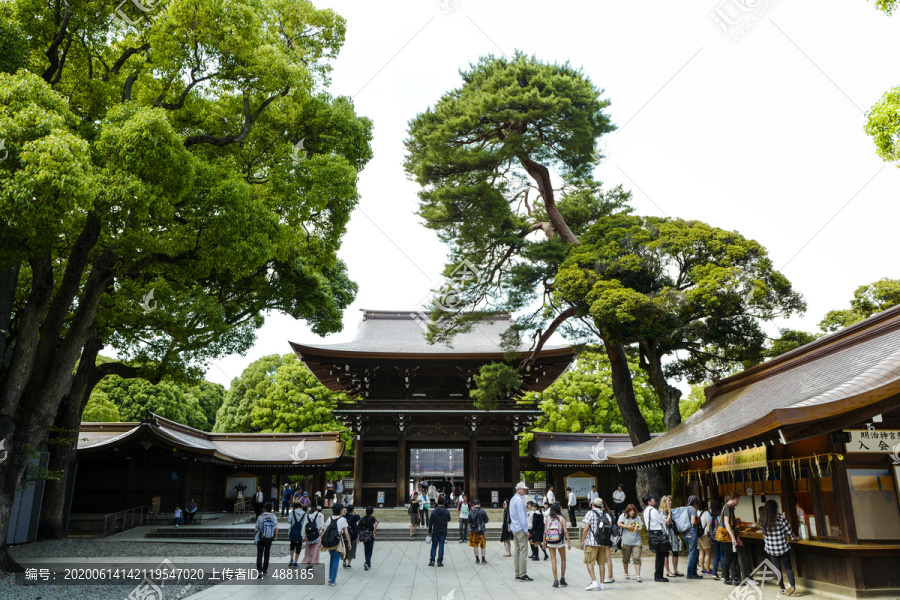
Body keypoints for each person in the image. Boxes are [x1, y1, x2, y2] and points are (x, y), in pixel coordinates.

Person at [759, 499, 798, 596]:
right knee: (788, 567)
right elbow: (789, 531)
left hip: (771, 549)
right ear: (775, 508)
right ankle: (792, 586)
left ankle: (782, 588)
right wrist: (794, 537)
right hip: (782, 547)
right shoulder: (780, 517)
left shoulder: (762, 520)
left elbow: (763, 533)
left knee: (777, 568)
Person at [580, 497, 610, 591]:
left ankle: (594, 581)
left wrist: (582, 540)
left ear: (593, 505)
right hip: (602, 543)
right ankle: (601, 584)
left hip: (592, 542)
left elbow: (586, 528)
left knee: (589, 562)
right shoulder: (605, 514)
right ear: (601, 506)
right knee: (601, 564)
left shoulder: (590, 513)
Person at [321, 504, 352, 586]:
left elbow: (324, 530)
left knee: (331, 559)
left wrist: (321, 541)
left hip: (329, 541)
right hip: (338, 542)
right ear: (340, 510)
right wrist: (349, 542)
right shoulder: (343, 519)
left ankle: (330, 578)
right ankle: (333, 580)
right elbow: (346, 533)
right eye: (342, 509)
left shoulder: (329, 518)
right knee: (336, 560)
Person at [542, 502, 571, 588]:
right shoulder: (562, 518)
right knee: (563, 560)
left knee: (553, 561)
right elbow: (565, 531)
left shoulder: (548, 518)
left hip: (550, 541)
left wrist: (544, 542)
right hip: (560, 541)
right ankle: (562, 579)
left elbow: (544, 531)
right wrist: (569, 541)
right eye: (561, 508)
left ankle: (555, 580)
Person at [643, 495, 670, 583]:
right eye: (652, 499)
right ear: (649, 502)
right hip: (658, 533)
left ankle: (658, 575)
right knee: (660, 555)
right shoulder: (654, 511)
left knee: (659, 555)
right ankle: (659, 576)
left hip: (651, 533)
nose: (654, 500)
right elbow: (663, 521)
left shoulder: (646, 511)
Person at [510, 481, 533, 581]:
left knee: (517, 551)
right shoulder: (519, 501)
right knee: (523, 550)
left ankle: (517, 573)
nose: (525, 490)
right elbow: (522, 516)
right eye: (523, 489)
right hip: (520, 528)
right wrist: (526, 530)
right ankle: (522, 574)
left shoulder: (513, 499)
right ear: (518, 490)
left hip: (514, 527)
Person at [721, 492, 743, 586]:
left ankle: (734, 578)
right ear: (735, 499)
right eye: (738, 500)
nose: (738, 502)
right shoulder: (727, 507)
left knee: (732, 557)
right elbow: (726, 523)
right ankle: (727, 577)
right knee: (729, 556)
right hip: (728, 537)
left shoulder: (727, 507)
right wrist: (733, 537)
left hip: (729, 536)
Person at [618, 503, 643, 582]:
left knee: (637, 558)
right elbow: (619, 524)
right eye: (630, 511)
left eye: (633, 511)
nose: (632, 512)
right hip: (626, 541)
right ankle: (626, 573)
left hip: (637, 541)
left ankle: (638, 575)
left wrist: (637, 529)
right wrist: (627, 526)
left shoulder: (638, 517)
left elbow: (641, 527)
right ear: (627, 511)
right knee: (626, 559)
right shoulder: (623, 516)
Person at [660, 495, 683, 577]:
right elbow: (667, 522)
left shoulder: (673, 511)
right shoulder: (661, 512)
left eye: (671, 501)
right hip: (666, 535)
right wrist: (669, 512)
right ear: (664, 502)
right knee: (666, 553)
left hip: (674, 534)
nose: (670, 502)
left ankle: (675, 570)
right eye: (669, 501)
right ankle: (668, 571)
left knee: (675, 552)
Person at [254, 502, 278, 577]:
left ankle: (259, 570)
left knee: (260, 554)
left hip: (260, 538)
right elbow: (276, 527)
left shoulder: (260, 517)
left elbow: (256, 528)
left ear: (264, 509)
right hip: (269, 537)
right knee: (267, 553)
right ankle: (265, 569)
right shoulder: (273, 517)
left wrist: (255, 536)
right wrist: (275, 537)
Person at [428, 496, 452, 567]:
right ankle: (440, 561)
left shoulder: (434, 512)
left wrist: (430, 531)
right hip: (443, 530)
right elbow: (449, 519)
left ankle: (432, 561)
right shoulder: (447, 512)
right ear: (444, 503)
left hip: (435, 530)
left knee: (434, 546)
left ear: (437, 502)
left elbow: (430, 523)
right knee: (441, 546)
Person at [685, 495, 703, 579]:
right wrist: (697, 520)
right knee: (693, 553)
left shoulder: (686, 508)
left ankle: (693, 572)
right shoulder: (692, 509)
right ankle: (690, 573)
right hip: (692, 533)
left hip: (685, 533)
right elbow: (693, 522)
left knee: (692, 553)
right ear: (695, 503)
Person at [468, 498, 490, 563]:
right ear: (479, 504)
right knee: (483, 545)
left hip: (473, 531)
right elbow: (486, 520)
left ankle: (477, 559)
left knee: (475, 545)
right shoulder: (482, 511)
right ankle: (483, 559)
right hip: (481, 531)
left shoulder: (471, 512)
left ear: (473, 505)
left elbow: (469, 521)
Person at [708, 497, 725, 579]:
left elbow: (709, 526)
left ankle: (714, 572)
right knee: (722, 555)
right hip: (720, 535)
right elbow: (722, 525)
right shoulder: (721, 512)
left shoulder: (709, 513)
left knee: (716, 555)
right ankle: (723, 573)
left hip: (713, 536)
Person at [600, 501, 616, 583]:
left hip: (606, 539)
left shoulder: (605, 516)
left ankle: (610, 576)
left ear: (603, 507)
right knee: (608, 558)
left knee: (608, 558)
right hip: (609, 538)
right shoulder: (609, 515)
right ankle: (611, 575)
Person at [359, 506, 379, 571]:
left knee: (366, 549)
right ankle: (367, 562)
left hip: (364, 535)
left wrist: (358, 536)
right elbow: (376, 523)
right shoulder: (372, 518)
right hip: (370, 535)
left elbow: (359, 527)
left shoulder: (362, 519)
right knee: (370, 550)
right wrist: (374, 531)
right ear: (372, 512)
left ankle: (368, 562)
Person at [287, 501, 307, 568]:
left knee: (292, 546)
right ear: (301, 507)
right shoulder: (304, 513)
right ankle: (295, 562)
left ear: (295, 507)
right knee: (298, 547)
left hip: (293, 532)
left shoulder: (292, 512)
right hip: (301, 533)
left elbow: (289, 521)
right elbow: (305, 523)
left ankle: (291, 559)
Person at [698, 501, 713, 576]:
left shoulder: (697, 512)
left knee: (701, 553)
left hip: (698, 535)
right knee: (708, 554)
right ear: (706, 507)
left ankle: (702, 569)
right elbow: (709, 524)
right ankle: (708, 570)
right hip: (705, 535)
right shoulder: (707, 513)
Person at [343, 504, 360, 568]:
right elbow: (358, 516)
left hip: (345, 535)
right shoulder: (354, 517)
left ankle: (344, 560)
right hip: (353, 535)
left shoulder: (343, 517)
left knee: (345, 548)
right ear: (352, 510)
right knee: (352, 549)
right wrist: (355, 512)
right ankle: (349, 563)